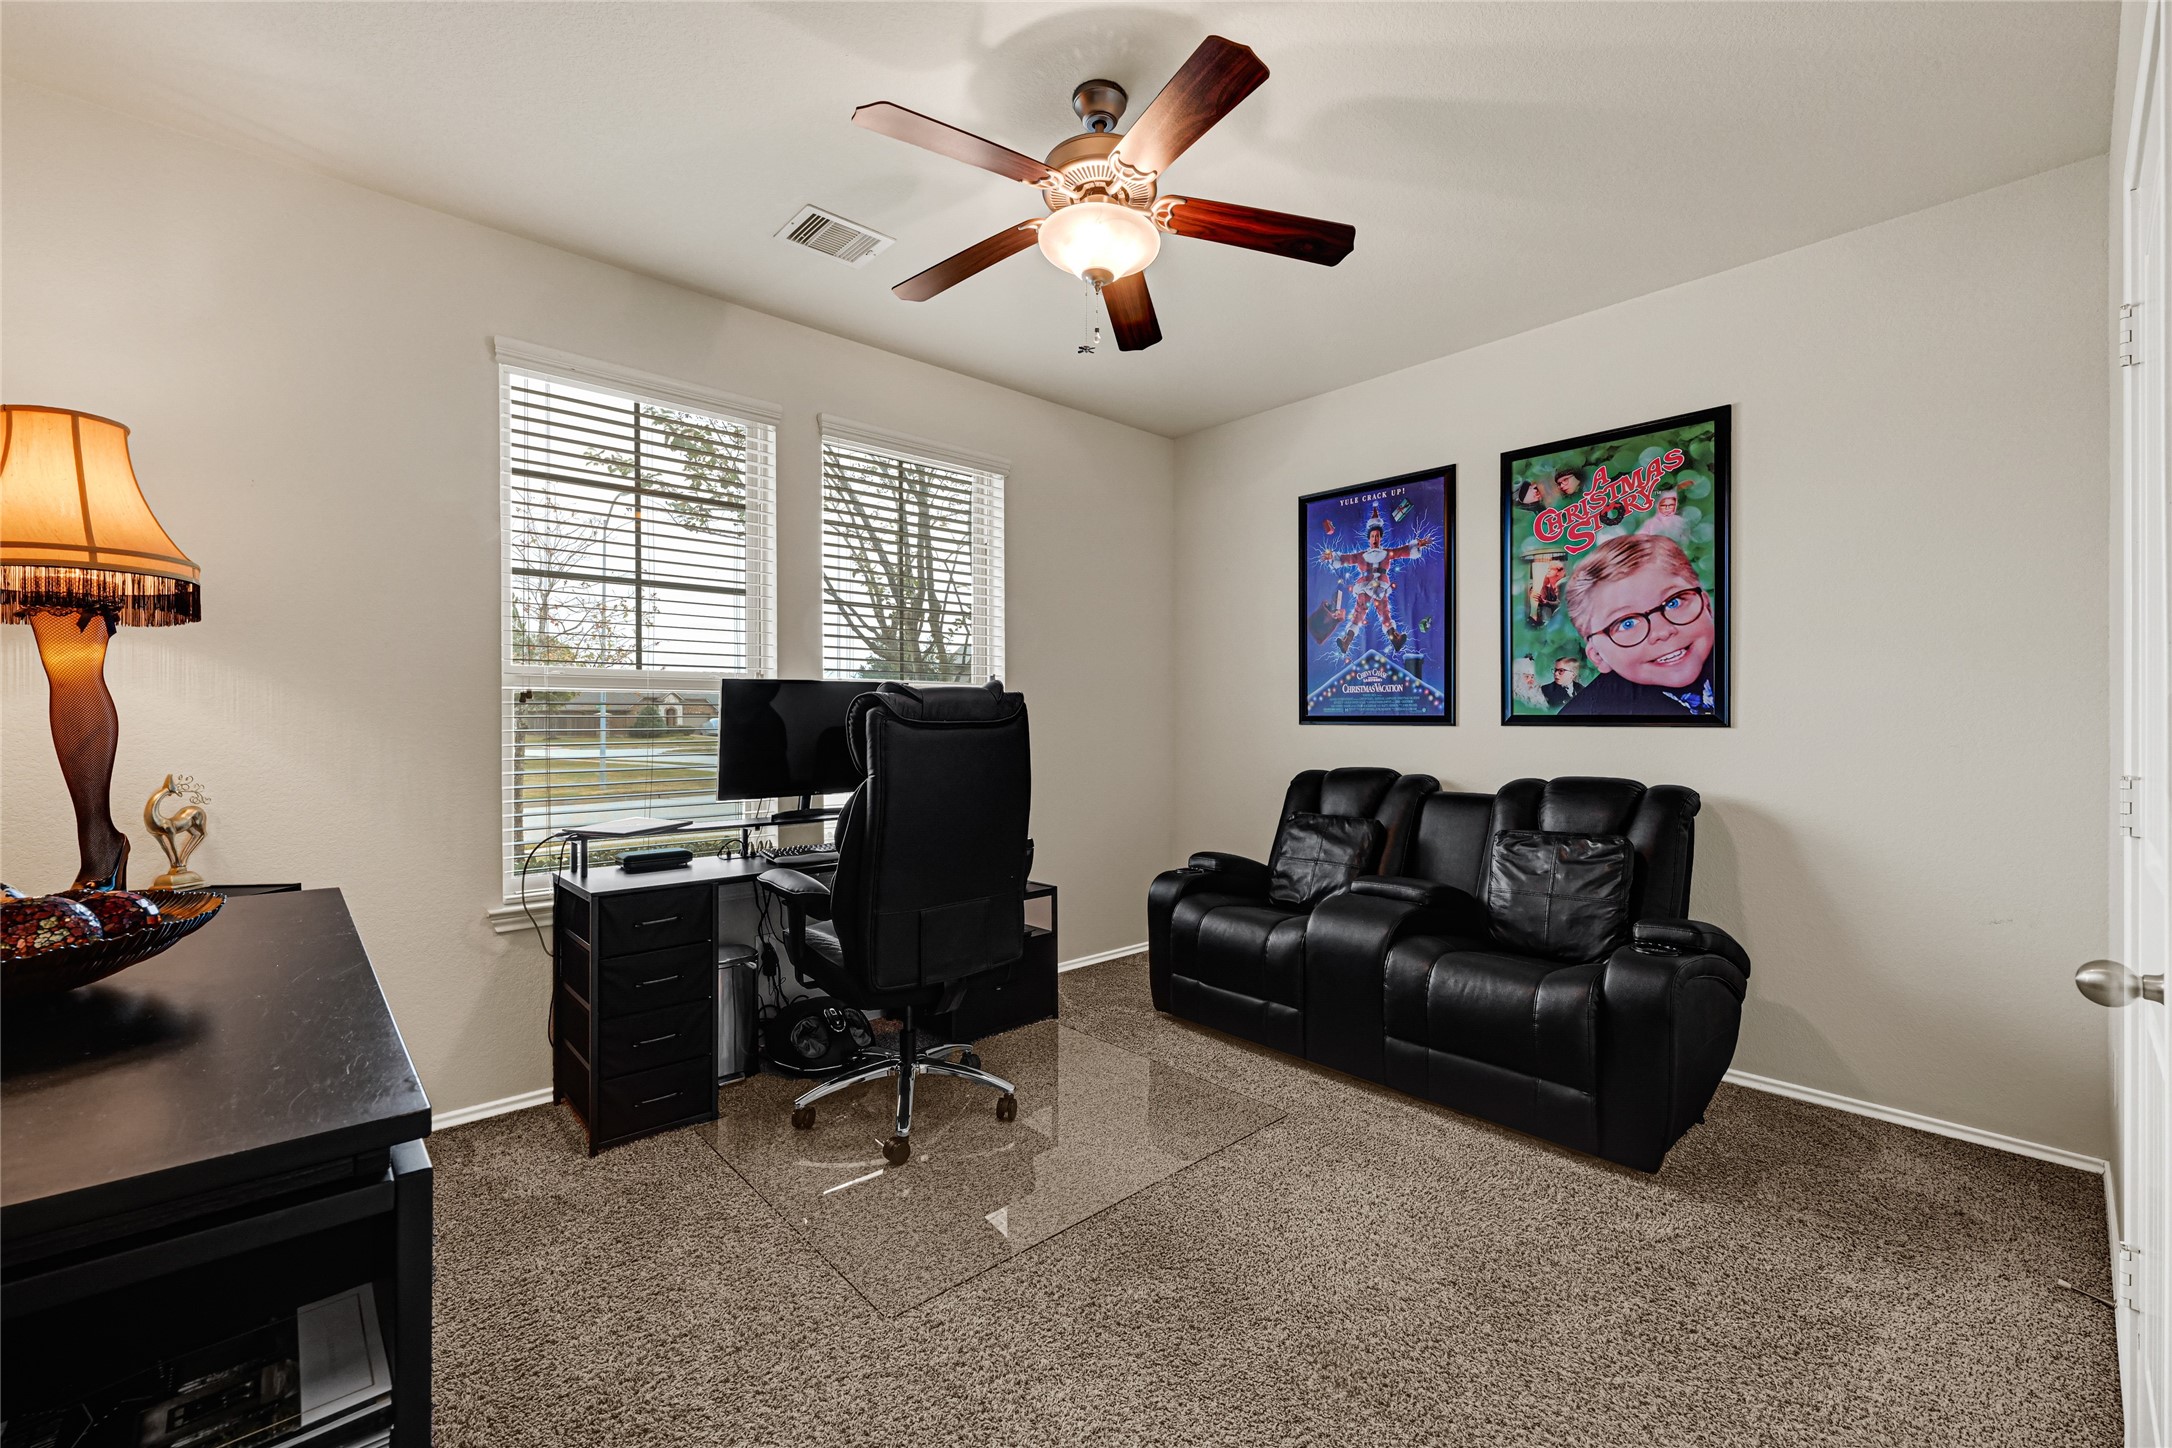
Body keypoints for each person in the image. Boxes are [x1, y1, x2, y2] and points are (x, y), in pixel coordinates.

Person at [1558, 534, 1719, 718]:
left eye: (1673, 602)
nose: (1662, 631)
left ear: (1706, 605)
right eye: (1627, 623)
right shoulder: (1586, 715)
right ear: (1598, 656)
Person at [1318, 511, 1431, 655]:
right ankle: (1346, 641)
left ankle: (1395, 639)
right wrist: (1332, 556)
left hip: (1380, 588)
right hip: (1365, 587)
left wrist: (1417, 545)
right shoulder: (1361, 556)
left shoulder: (1387, 553)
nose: (1375, 538)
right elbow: (1346, 558)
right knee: (1359, 614)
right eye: (1372, 536)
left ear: (1381, 537)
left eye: (1377, 535)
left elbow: (1402, 551)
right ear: (1369, 538)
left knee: (1385, 614)